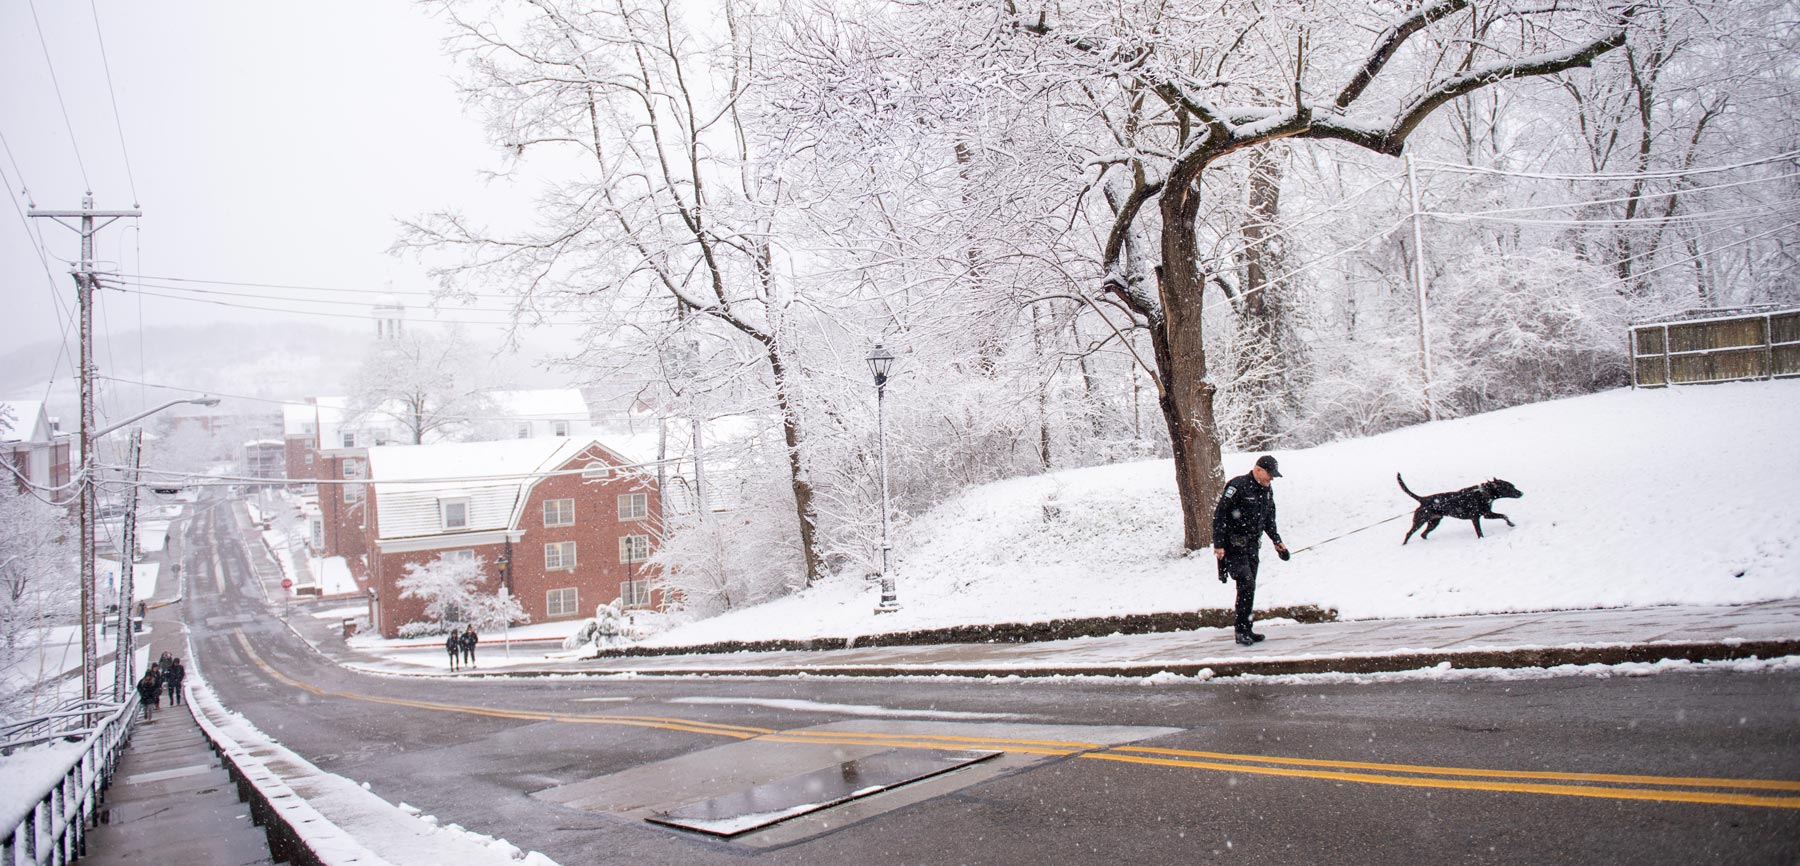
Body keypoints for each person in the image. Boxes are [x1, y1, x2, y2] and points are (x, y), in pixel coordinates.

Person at [1212, 454, 1289, 646]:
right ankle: (1241, 631)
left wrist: (1277, 541)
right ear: (1258, 470)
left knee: (1249, 586)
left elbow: (1269, 519)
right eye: (1269, 475)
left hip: (1253, 545)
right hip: (1234, 545)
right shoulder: (1237, 486)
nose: (1271, 479)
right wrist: (1219, 544)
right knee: (1246, 584)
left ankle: (1246, 628)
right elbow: (1220, 515)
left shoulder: (1267, 491)